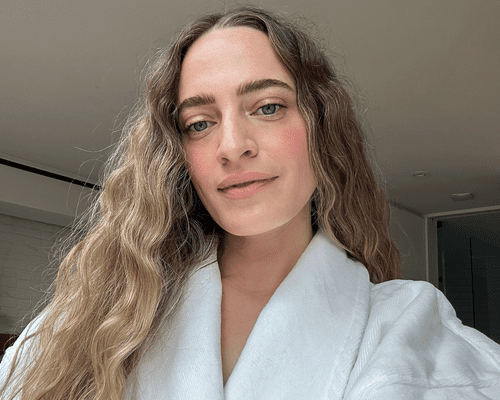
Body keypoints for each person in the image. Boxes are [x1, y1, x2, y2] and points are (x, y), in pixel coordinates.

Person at [1, 5, 500, 400]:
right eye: (200, 122)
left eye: (268, 107)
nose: (231, 145)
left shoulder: (413, 330)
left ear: (321, 125)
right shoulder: (86, 325)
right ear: (179, 154)